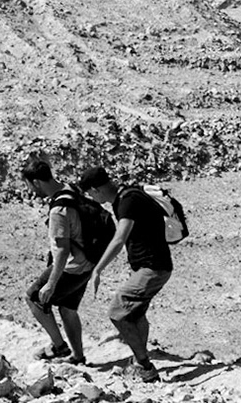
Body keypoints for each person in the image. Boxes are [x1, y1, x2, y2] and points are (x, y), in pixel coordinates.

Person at [83, 167, 173, 381]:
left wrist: (98, 269)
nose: (93, 199)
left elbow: (120, 237)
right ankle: (139, 361)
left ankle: (145, 365)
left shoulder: (127, 202)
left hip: (153, 267)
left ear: (95, 190)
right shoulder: (129, 195)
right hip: (155, 265)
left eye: (90, 194)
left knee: (117, 311)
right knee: (136, 314)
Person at [18, 154, 91, 363]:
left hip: (73, 265)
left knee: (34, 298)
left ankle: (59, 347)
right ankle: (78, 356)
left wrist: (51, 283)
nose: (31, 191)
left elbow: (62, 251)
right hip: (89, 261)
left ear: (37, 182)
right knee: (68, 308)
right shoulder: (71, 189)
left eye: (30, 186)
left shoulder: (59, 210)